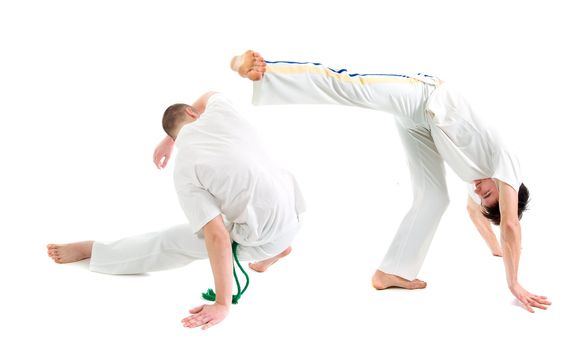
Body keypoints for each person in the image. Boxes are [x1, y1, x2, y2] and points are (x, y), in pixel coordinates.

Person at [228, 50, 550, 313]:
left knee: (435, 198)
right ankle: (265, 71)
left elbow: (479, 215)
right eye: (489, 193)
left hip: (421, 128)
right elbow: (509, 224)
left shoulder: (480, 180)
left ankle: (393, 272)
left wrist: (497, 251)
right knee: (350, 88)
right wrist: (514, 282)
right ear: (510, 187)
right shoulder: (507, 163)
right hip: (423, 95)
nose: (479, 191)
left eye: (483, 197)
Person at [47, 89, 306, 330]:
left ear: (176, 135)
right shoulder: (223, 113)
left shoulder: (186, 169)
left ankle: (95, 251)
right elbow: (208, 95)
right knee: (239, 193)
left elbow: (217, 236)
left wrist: (222, 303)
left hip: (266, 236)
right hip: (294, 213)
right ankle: (277, 250)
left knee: (171, 240)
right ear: (193, 114)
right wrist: (169, 139)